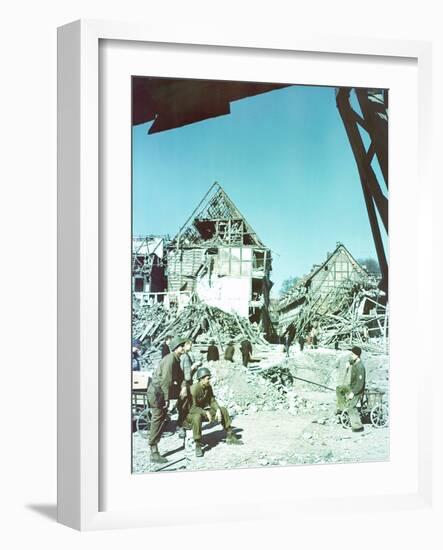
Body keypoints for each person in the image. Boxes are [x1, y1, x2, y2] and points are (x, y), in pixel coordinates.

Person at [146, 336, 188, 463]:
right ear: (176, 348)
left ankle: (183, 423)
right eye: (182, 346)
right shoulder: (170, 360)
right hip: (157, 392)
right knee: (157, 419)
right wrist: (166, 399)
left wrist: (184, 387)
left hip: (161, 390)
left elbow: (181, 377)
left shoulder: (176, 359)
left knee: (162, 417)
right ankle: (153, 451)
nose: (184, 348)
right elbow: (166, 381)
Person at [185, 366, 243, 457]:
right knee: (197, 417)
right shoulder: (193, 389)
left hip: (202, 411)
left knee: (223, 409)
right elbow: (192, 408)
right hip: (190, 414)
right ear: (201, 379)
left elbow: (212, 400)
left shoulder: (208, 387)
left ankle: (230, 434)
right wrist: (206, 413)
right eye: (208, 379)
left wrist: (218, 410)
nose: (209, 380)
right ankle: (198, 444)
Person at [336, 346, 366, 432]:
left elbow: (360, 384)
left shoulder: (360, 367)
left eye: (352, 354)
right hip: (351, 387)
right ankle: (342, 408)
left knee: (351, 406)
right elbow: (352, 361)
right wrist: (349, 363)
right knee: (339, 389)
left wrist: (353, 393)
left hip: (357, 390)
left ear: (357, 355)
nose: (351, 355)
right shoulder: (355, 361)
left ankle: (358, 426)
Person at [177, 340, 202, 438]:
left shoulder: (185, 356)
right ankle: (181, 427)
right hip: (185, 384)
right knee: (183, 406)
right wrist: (194, 366)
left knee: (184, 405)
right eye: (189, 345)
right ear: (185, 345)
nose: (191, 346)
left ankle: (182, 425)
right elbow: (186, 374)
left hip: (185, 383)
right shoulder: (184, 357)